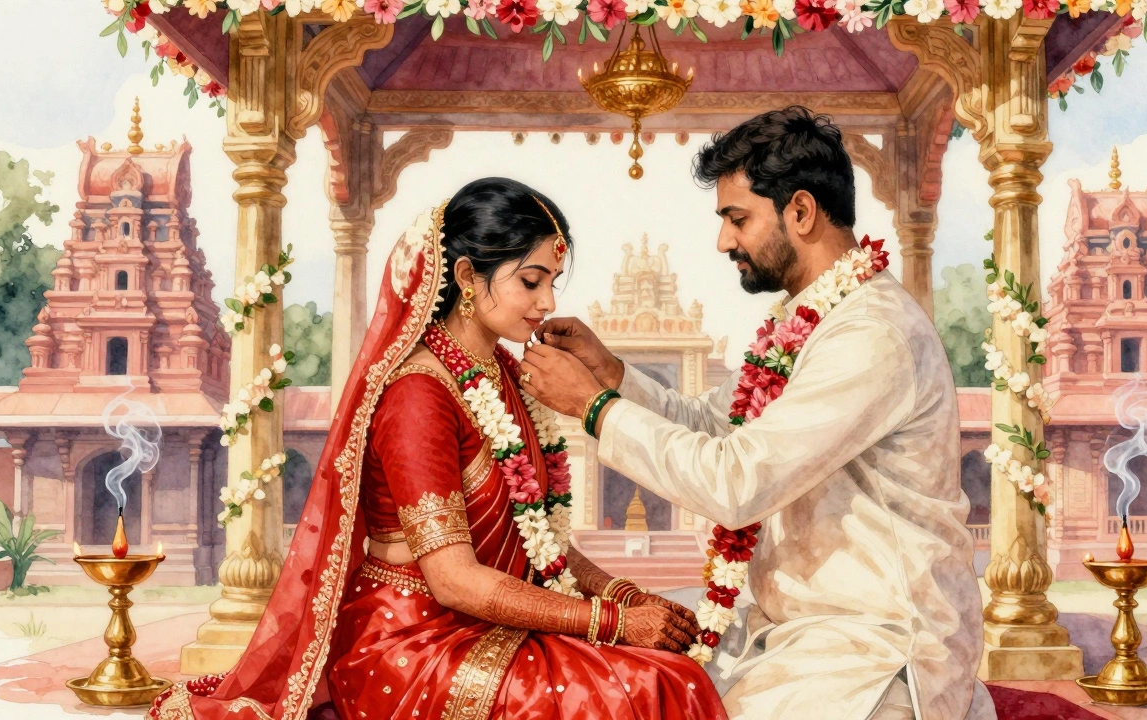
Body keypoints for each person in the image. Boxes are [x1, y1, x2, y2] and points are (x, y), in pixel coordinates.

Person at [148, 178, 727, 720]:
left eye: (553, 281)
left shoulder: (501, 372)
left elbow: (540, 541)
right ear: (469, 277)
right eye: (531, 280)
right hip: (413, 639)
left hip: (484, 622)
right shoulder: (419, 394)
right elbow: (452, 580)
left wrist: (624, 595)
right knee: (652, 686)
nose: (548, 300)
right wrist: (612, 621)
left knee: (670, 670)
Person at [519, 108, 996, 720]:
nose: (723, 241)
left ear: (799, 212)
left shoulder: (872, 335)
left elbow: (737, 480)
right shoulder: (808, 322)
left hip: (876, 647)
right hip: (793, 628)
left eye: (737, 219)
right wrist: (611, 372)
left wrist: (593, 407)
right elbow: (715, 425)